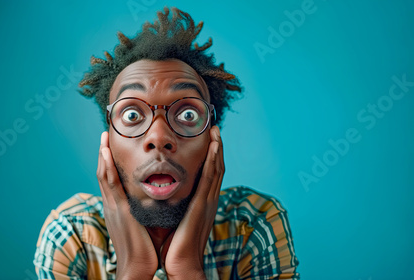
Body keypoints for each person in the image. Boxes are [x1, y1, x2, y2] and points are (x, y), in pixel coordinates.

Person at [33, 7, 299, 279]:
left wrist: (187, 268)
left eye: (187, 114)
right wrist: (134, 267)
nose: (159, 138)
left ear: (212, 139)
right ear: (108, 142)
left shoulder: (252, 225)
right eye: (132, 115)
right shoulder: (71, 234)